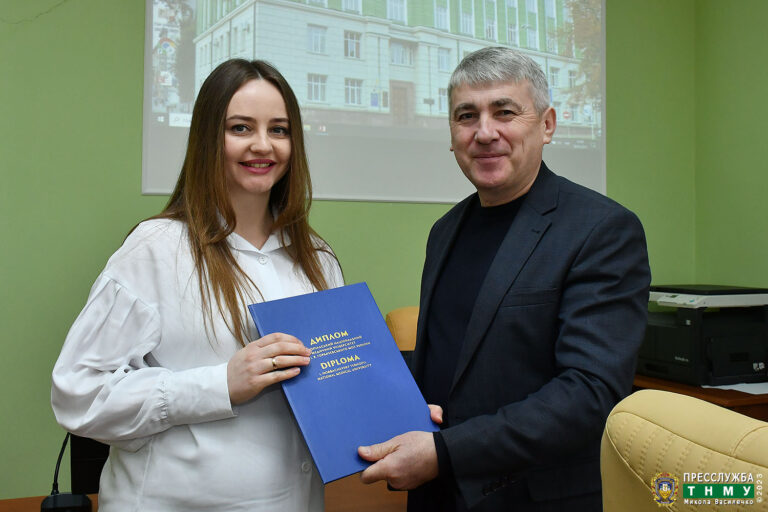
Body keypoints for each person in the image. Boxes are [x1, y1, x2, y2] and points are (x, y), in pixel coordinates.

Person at [357, 47, 651, 511]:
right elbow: (458, 355)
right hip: (436, 494)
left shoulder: (601, 230)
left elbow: (589, 392)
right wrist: (356, 372)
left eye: (505, 112)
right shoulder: (445, 231)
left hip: (530, 498)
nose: (484, 132)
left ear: (547, 125)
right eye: (466, 116)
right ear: (451, 134)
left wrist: (446, 452)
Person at [51, 59, 343, 511]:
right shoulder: (156, 248)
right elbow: (78, 394)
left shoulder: (317, 260)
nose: (263, 145)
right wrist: (220, 384)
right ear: (208, 138)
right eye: (241, 128)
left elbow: (335, 388)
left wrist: (394, 417)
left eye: (279, 130)